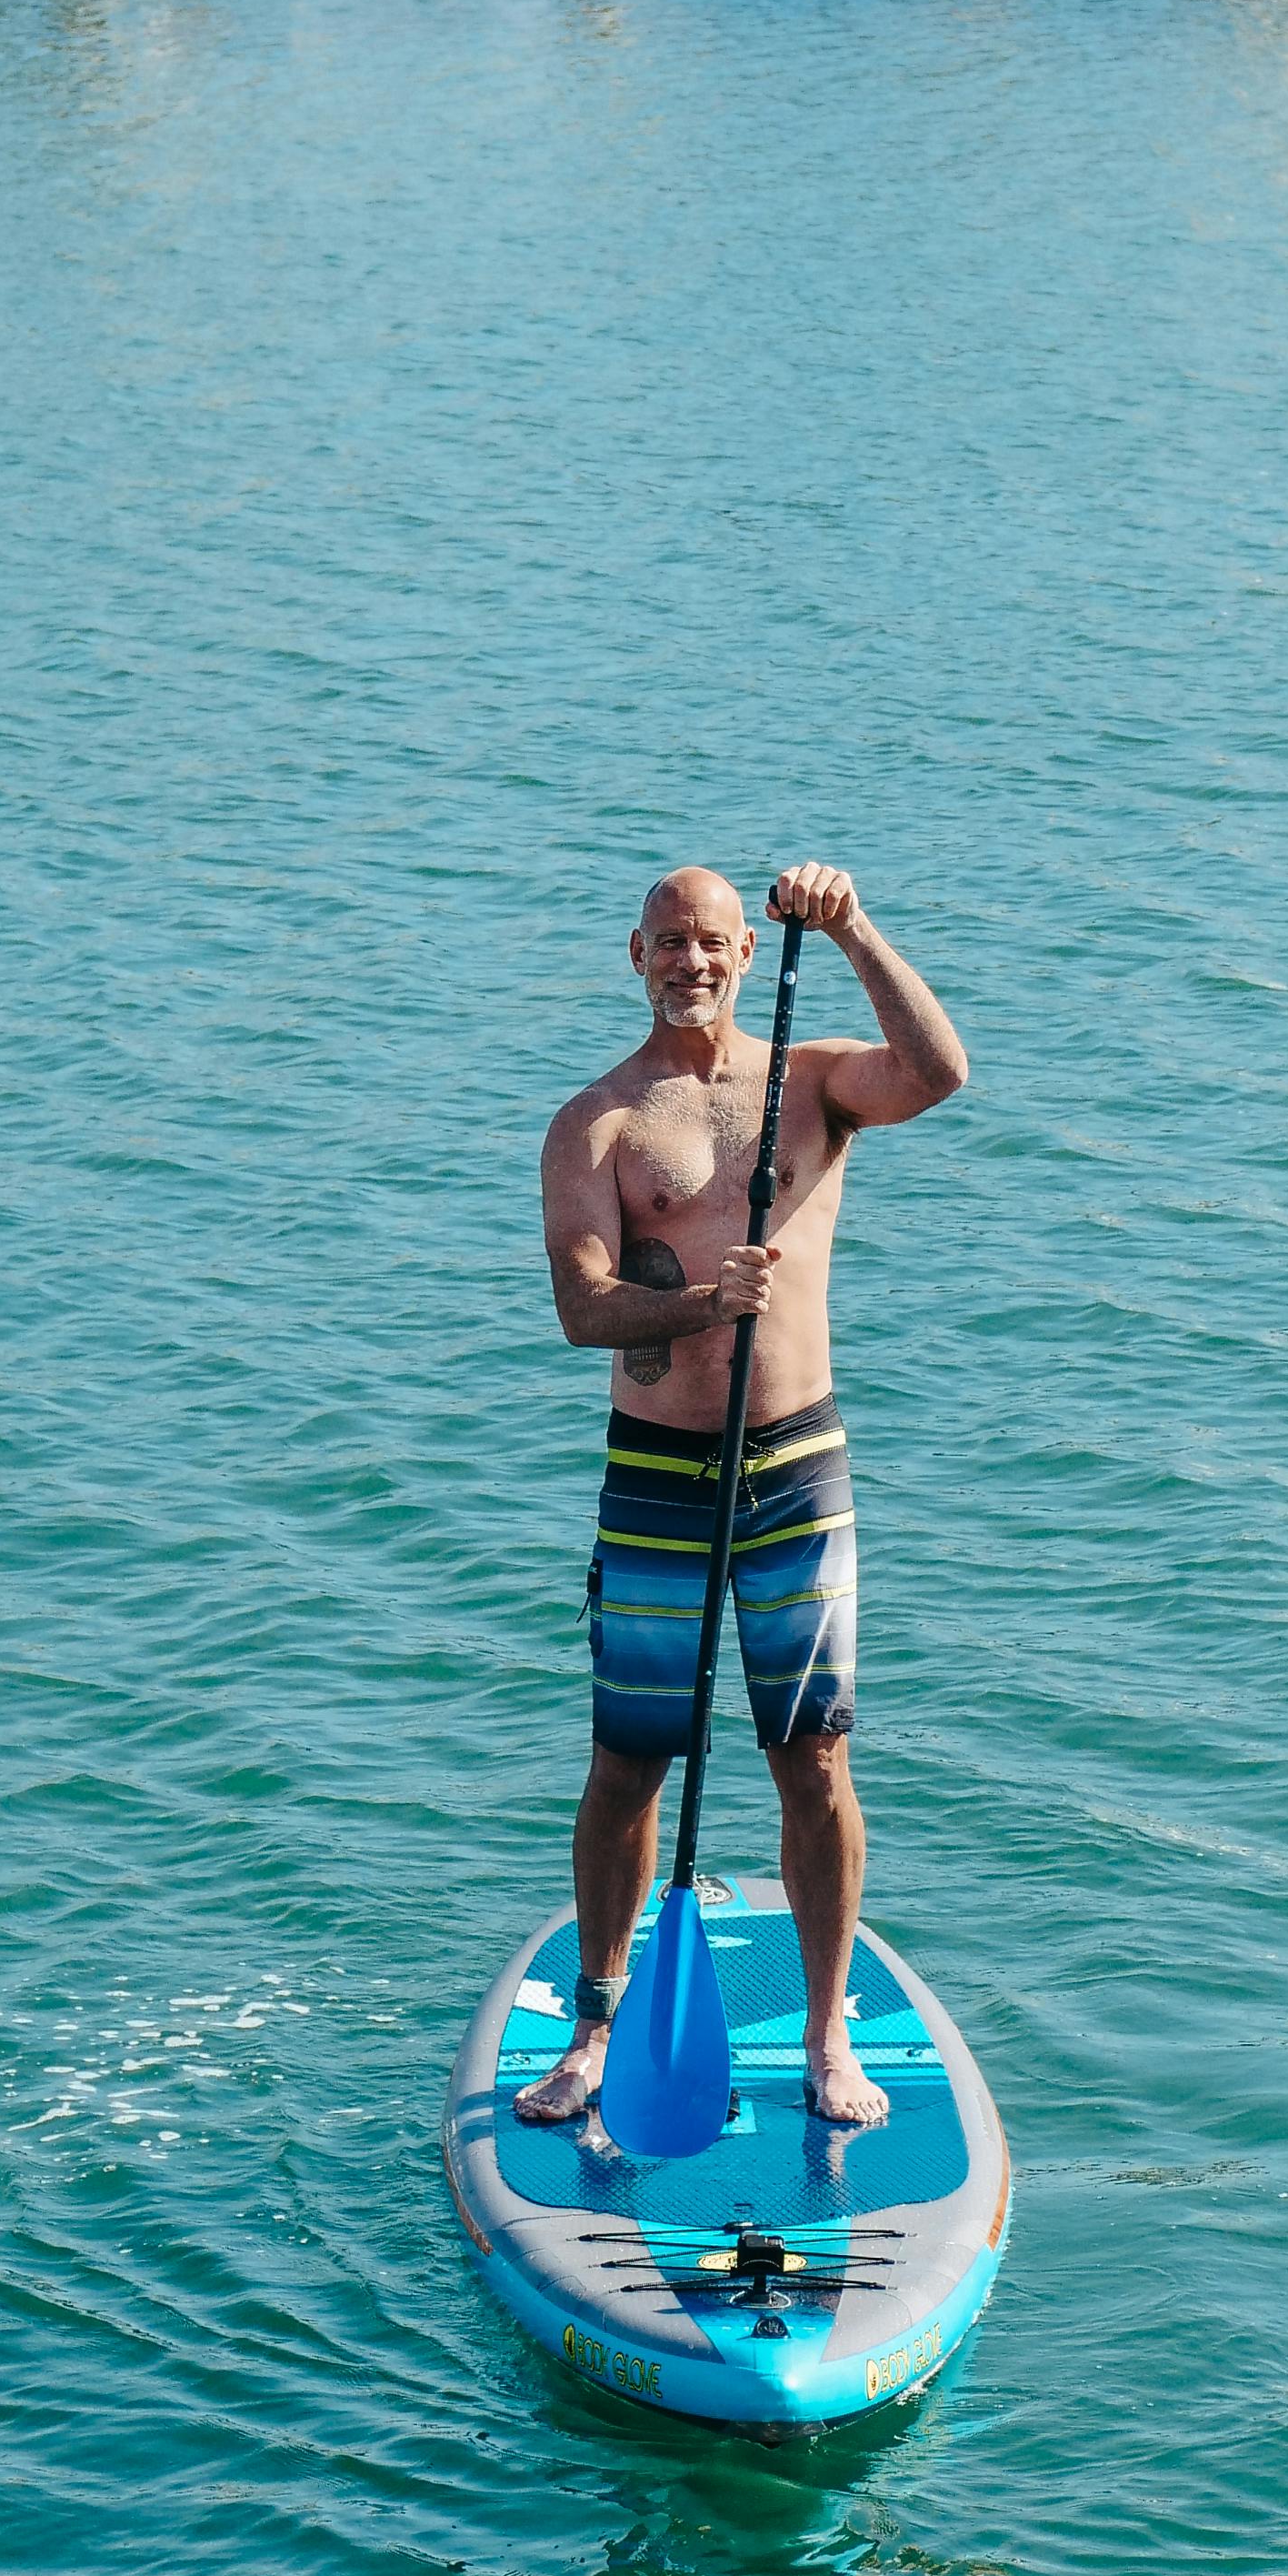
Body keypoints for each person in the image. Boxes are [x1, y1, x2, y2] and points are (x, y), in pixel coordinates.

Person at [517, 860, 967, 2134]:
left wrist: (854, 924)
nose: (691, 962)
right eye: (667, 942)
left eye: (711, 941)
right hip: (657, 1475)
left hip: (795, 1467)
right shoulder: (596, 1123)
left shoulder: (815, 1083)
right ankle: (598, 2031)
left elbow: (939, 1073)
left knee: (811, 1757)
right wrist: (703, 1303)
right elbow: (580, 1307)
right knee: (629, 1763)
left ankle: (827, 2037)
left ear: (742, 952)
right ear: (636, 955)